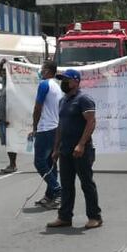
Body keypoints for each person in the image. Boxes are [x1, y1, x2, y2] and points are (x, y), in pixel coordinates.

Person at [46, 69, 101, 230]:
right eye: (62, 80)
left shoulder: (84, 99)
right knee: (66, 184)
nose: (63, 83)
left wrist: (81, 144)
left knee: (86, 183)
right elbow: (60, 125)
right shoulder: (63, 101)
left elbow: (91, 122)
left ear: (76, 81)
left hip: (81, 150)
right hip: (65, 149)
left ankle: (94, 216)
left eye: (66, 80)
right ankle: (64, 217)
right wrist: (56, 148)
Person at [30, 60, 63, 207]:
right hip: (55, 128)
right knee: (50, 164)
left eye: (42, 69)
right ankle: (50, 195)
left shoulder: (44, 84)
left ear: (48, 70)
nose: (40, 71)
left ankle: (57, 190)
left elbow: (38, 107)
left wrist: (35, 127)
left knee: (39, 162)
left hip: (45, 128)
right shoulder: (56, 86)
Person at [0, 60, 18, 174]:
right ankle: (11, 164)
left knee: (10, 143)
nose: (5, 74)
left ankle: (13, 164)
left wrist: (9, 118)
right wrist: (1, 63)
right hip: (2, 119)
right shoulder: (5, 83)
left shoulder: (13, 88)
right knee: (6, 143)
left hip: (8, 120)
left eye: (7, 72)